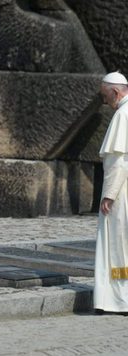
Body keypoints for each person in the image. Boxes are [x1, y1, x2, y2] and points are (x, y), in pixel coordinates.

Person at [94, 71, 128, 313]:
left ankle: (119, 299)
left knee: (118, 247)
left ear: (116, 92)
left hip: (121, 192)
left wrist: (109, 195)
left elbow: (119, 161)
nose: (105, 102)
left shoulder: (123, 115)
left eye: (106, 97)